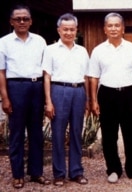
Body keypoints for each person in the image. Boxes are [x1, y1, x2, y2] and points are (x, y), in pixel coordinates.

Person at [88, 12, 132, 183]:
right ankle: (113, 169)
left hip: (129, 94)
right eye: (110, 25)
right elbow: (93, 77)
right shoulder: (98, 50)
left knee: (131, 134)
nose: (113, 28)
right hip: (107, 94)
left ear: (122, 28)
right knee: (109, 135)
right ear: (105, 29)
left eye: (117, 25)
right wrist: (93, 100)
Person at [0, 4, 50, 189]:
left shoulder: (40, 41)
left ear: (31, 21)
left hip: (36, 86)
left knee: (37, 132)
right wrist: (5, 97)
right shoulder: (3, 42)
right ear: (11, 21)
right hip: (16, 87)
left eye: (25, 18)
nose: (22, 21)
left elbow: (46, 71)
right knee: (17, 133)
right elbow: (1, 72)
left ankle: (36, 172)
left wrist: (46, 97)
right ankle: (17, 174)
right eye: (18, 19)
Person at [42, 13, 89, 186]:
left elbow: (86, 75)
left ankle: (76, 171)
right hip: (58, 90)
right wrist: (48, 101)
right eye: (65, 29)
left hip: (78, 91)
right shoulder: (50, 50)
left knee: (77, 132)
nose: (68, 33)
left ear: (76, 30)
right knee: (58, 133)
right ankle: (59, 173)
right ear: (59, 30)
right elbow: (46, 76)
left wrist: (87, 99)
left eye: (72, 29)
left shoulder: (82, 51)